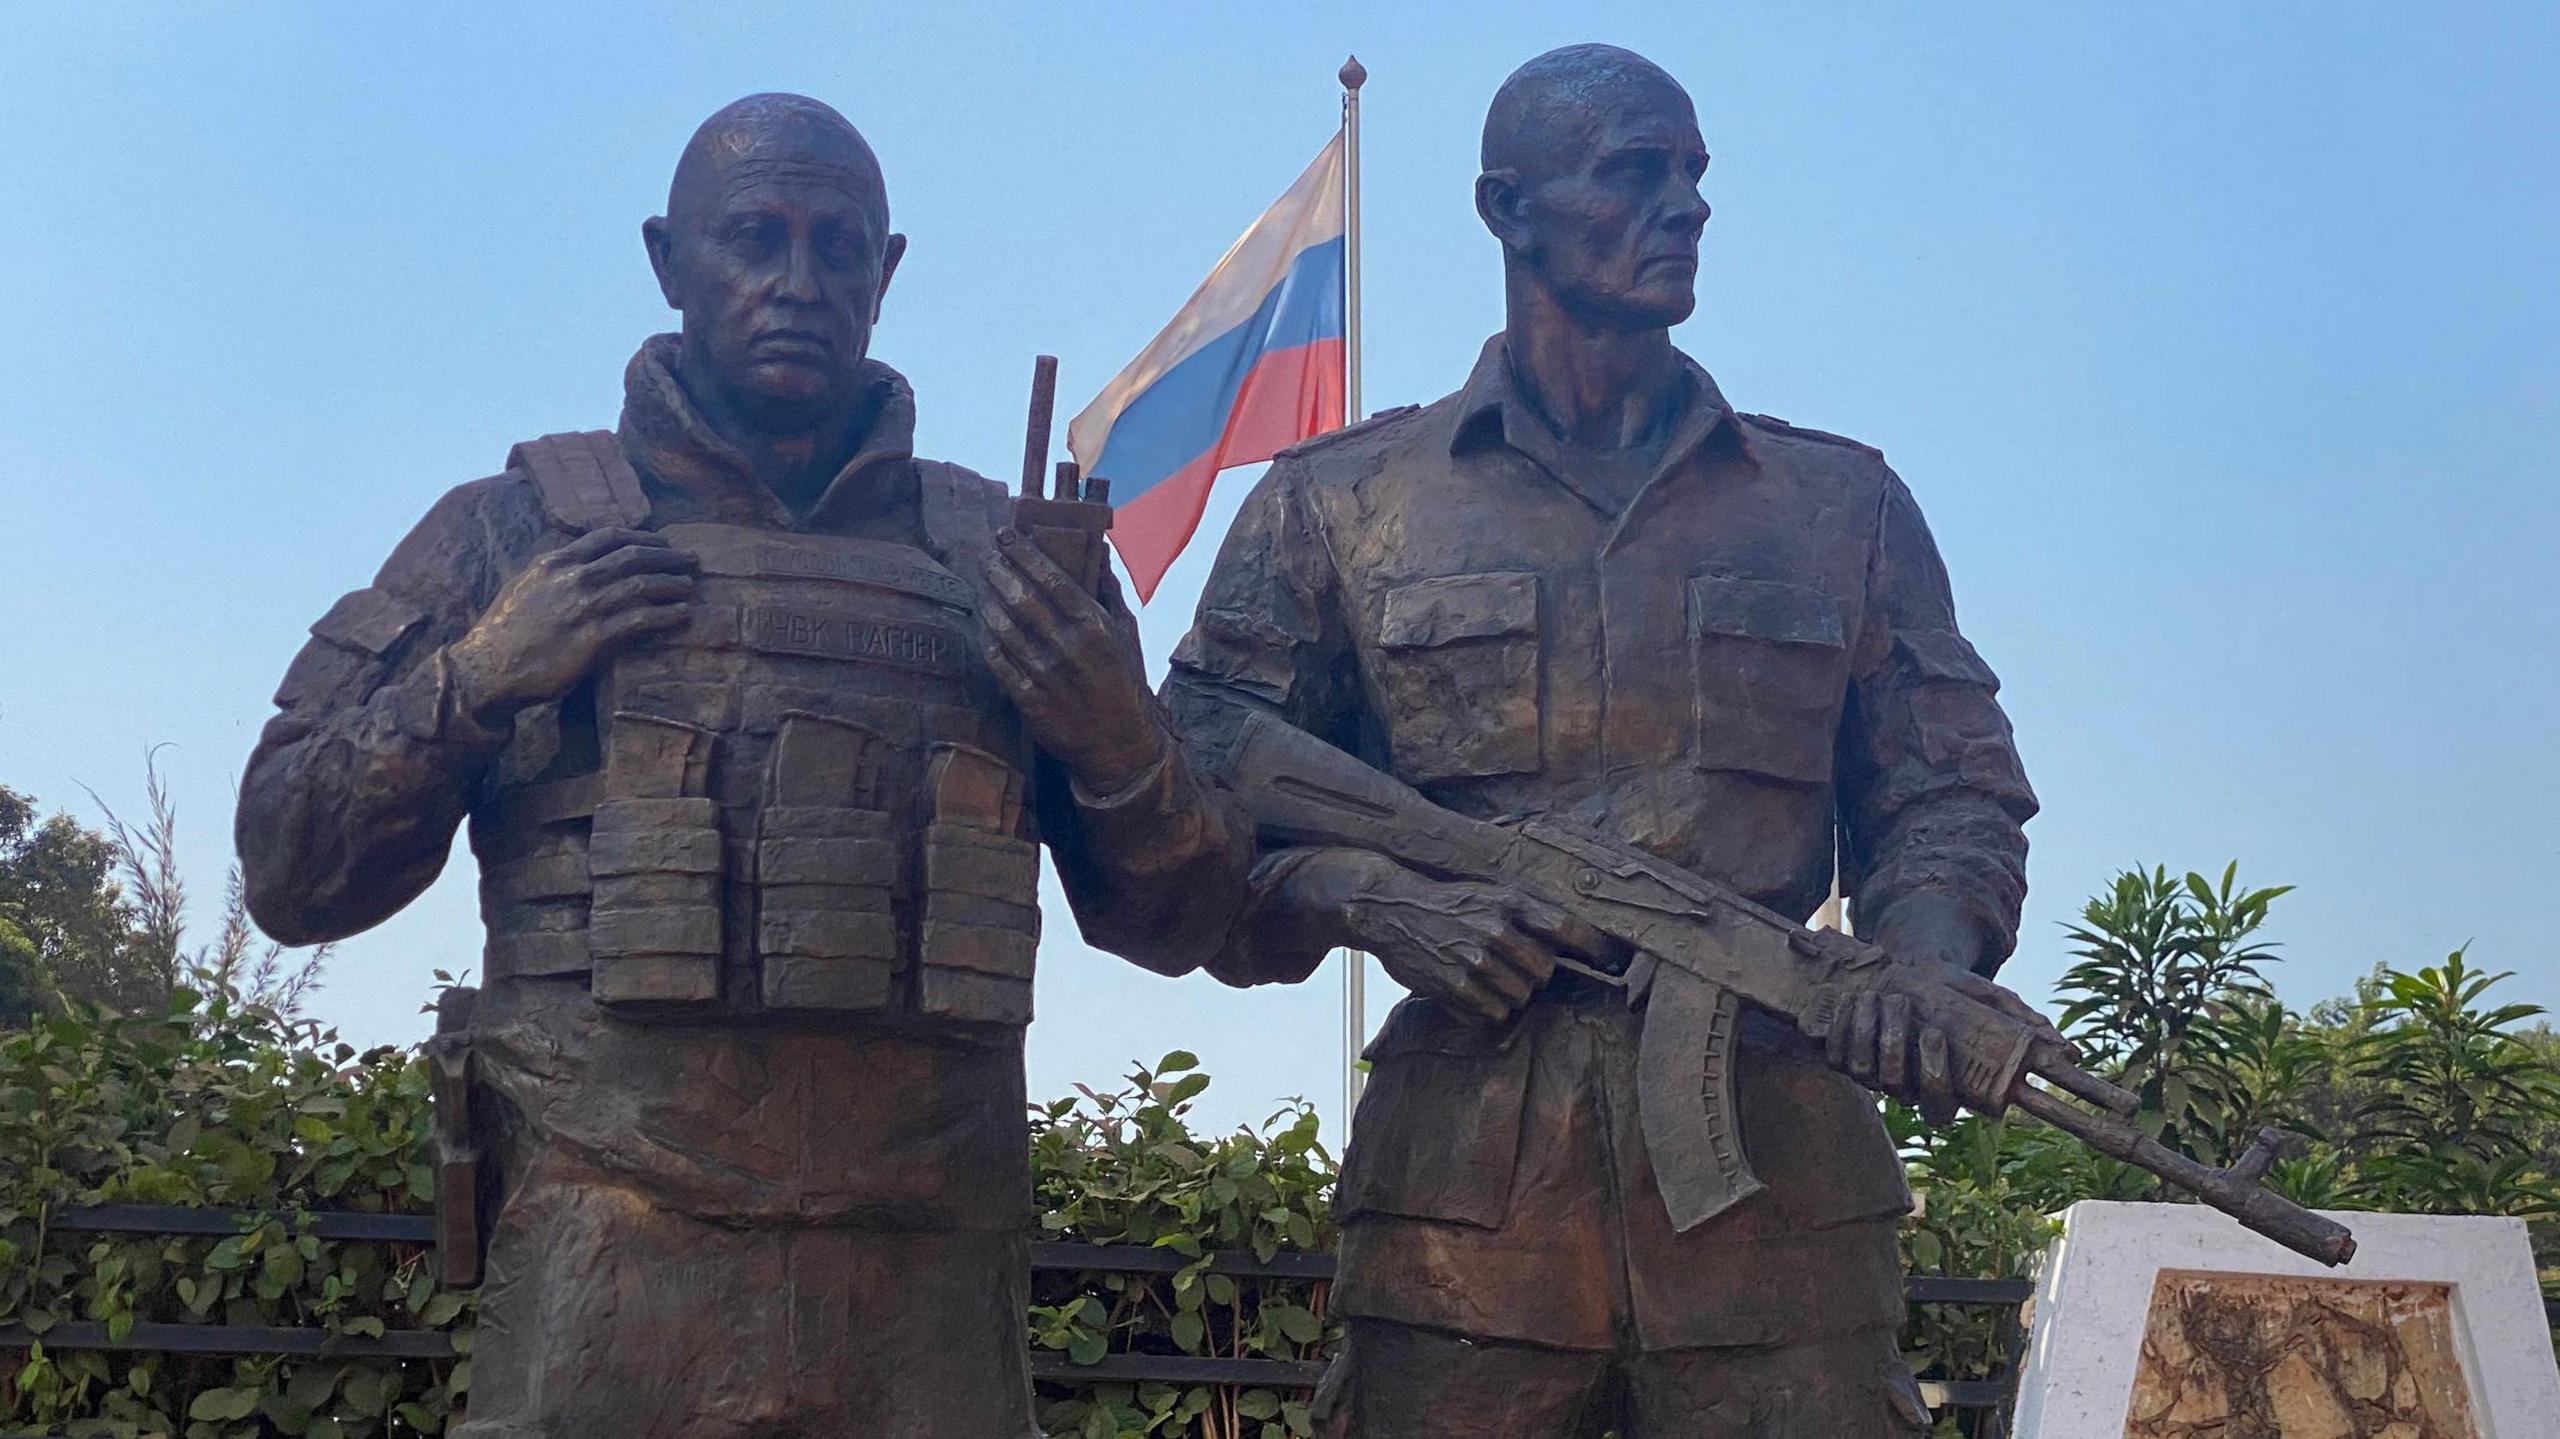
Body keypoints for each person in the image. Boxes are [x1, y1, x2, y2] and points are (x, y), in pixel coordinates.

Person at [237, 93, 1240, 1437]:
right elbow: (292, 871)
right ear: (668, 260)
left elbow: (1183, 920)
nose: (796, 282)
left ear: (887, 276)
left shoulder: (1010, 564)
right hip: (609, 1265)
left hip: (922, 1288)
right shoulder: (514, 531)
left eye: (838, 248)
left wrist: (1113, 735)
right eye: (752, 239)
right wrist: (477, 677)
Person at [1161, 45, 2039, 1437]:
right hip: (1463, 1216)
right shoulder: (1339, 506)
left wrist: (1921, 971)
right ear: (1507, 208)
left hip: (1780, 1198)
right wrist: (1374, 899)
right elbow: (1193, 830)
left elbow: (1948, 797)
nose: (1686, 205)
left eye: (1694, 175)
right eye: (1636, 172)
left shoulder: (1838, 506)